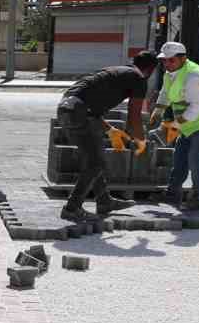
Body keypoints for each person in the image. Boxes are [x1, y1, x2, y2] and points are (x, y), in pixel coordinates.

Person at [55, 51, 158, 223]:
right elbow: (134, 116)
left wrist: (110, 130)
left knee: (94, 159)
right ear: (151, 70)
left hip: (66, 110)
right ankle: (71, 209)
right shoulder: (139, 78)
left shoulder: (116, 71)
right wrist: (141, 140)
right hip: (79, 113)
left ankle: (104, 201)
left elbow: (88, 106)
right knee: (96, 163)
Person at [149, 41, 199, 213]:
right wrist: (158, 110)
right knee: (180, 158)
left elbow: (198, 106)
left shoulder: (193, 76)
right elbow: (165, 92)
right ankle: (172, 194)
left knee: (195, 159)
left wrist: (174, 125)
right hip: (190, 124)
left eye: (171, 60)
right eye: (164, 60)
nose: (167, 64)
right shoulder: (171, 73)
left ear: (183, 58)